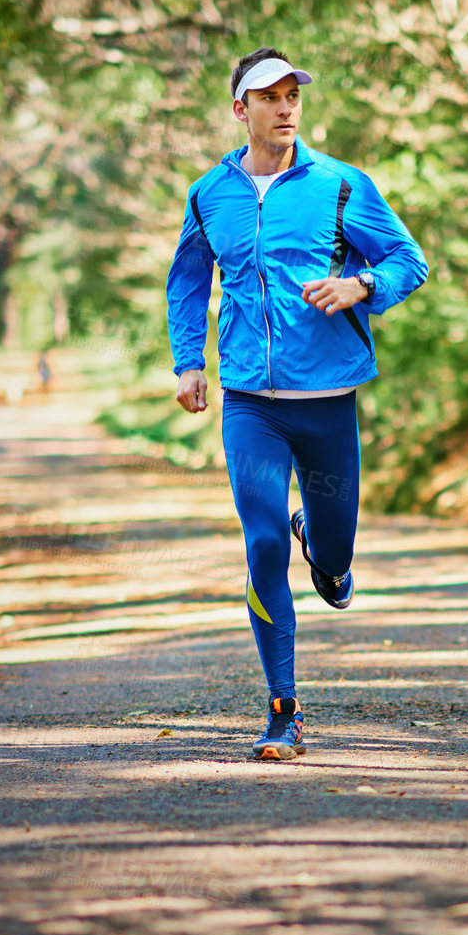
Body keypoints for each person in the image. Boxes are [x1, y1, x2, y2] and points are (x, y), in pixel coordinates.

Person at [166, 48, 429, 762]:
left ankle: (324, 542)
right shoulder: (209, 194)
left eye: (293, 96)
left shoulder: (341, 185)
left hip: (328, 401)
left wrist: (363, 286)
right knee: (260, 544)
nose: (286, 108)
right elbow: (187, 281)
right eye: (270, 96)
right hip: (250, 402)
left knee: (334, 559)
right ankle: (283, 710)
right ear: (239, 109)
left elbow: (410, 260)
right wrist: (189, 362)